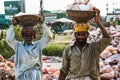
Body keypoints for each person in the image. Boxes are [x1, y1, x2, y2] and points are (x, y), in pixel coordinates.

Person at [58, 8, 111, 80]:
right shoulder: (68, 50)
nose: (81, 37)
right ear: (75, 35)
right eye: (78, 34)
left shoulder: (94, 48)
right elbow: (64, 71)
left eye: (83, 34)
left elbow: (107, 39)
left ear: (87, 35)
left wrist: (98, 22)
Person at [6, 15, 53, 80]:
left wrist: (43, 24)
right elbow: (9, 39)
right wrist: (12, 26)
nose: (28, 38)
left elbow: (49, 37)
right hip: (22, 76)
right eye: (26, 36)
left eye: (30, 36)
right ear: (22, 36)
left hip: (35, 76)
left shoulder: (38, 45)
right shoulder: (18, 46)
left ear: (34, 36)